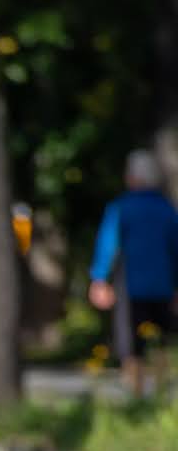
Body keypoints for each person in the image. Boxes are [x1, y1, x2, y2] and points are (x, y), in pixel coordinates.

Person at [88, 149, 178, 398]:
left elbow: (108, 246)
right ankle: (162, 391)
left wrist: (99, 279)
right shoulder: (167, 210)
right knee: (162, 339)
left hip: (131, 287)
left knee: (131, 344)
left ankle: (136, 393)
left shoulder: (121, 209)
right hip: (163, 286)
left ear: (132, 177)